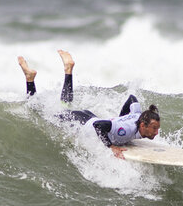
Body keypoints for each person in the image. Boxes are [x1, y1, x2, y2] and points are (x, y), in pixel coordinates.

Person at [17, 50, 160, 159]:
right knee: (37, 112)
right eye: (154, 128)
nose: (156, 132)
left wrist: (119, 118)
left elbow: (132, 98)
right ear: (143, 125)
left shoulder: (138, 114)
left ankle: (68, 70)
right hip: (85, 123)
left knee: (65, 106)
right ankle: (30, 78)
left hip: (89, 117)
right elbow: (98, 127)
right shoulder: (125, 129)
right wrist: (111, 146)